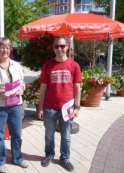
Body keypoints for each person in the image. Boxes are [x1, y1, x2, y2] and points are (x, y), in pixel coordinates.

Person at [0, 37, 29, 173]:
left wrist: (21, 89)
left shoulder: (16, 65)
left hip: (15, 106)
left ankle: (18, 158)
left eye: (8, 48)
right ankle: (0, 161)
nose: (5, 50)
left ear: (10, 50)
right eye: (2, 47)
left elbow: (22, 83)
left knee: (17, 134)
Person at [38, 34, 82, 172]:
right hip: (50, 107)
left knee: (66, 136)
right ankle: (49, 155)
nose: (59, 49)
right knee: (49, 135)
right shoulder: (48, 66)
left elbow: (77, 88)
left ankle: (65, 158)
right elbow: (43, 88)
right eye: (56, 46)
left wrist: (77, 107)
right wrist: (40, 108)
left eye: (62, 46)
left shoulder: (74, 66)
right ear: (53, 48)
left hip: (68, 107)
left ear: (67, 47)